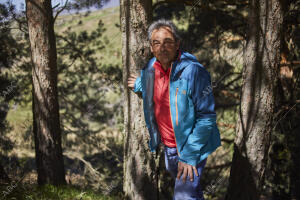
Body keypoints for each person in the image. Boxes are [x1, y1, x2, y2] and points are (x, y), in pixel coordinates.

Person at [127, 19, 221, 200]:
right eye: (157, 43)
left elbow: (206, 117)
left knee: (183, 196)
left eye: (168, 42)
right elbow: (152, 87)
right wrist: (139, 84)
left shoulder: (193, 71)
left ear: (177, 44)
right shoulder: (150, 67)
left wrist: (190, 155)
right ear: (151, 47)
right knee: (191, 191)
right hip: (169, 147)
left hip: (193, 145)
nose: (162, 47)